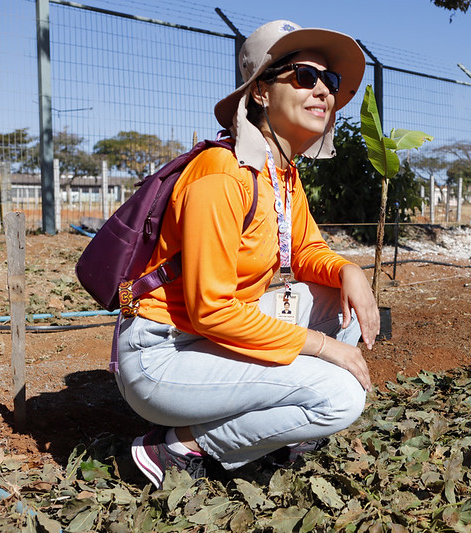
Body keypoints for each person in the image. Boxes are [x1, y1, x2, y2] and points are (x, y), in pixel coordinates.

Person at [113, 19, 378, 488]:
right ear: (259, 92)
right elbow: (212, 310)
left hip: (209, 336)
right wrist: (322, 347)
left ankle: (276, 428)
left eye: (330, 80)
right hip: (163, 355)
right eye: (305, 76)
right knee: (340, 396)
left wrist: (348, 270)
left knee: (343, 308)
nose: (323, 90)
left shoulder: (280, 172)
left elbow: (307, 249)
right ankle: (178, 446)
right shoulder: (222, 175)